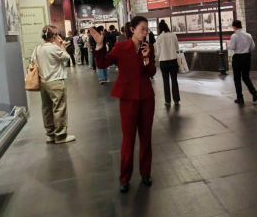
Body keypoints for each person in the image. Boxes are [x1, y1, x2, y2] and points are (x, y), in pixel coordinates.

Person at [91, 16, 156, 193]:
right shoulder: (121, 47)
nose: (145, 32)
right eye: (142, 28)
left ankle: (146, 173)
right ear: (132, 29)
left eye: (147, 29)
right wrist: (99, 45)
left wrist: (146, 59)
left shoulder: (148, 48)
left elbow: (151, 72)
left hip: (147, 97)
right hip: (128, 98)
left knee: (146, 137)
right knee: (128, 138)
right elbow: (102, 63)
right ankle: (125, 177)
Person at [35, 25, 76, 144]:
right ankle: (60, 135)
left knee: (46, 108)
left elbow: (33, 62)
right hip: (56, 81)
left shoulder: (38, 48)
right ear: (54, 36)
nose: (59, 37)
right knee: (59, 108)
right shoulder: (54, 48)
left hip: (43, 82)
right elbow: (67, 57)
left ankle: (50, 134)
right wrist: (61, 45)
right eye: (57, 35)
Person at [228, 20, 257, 104]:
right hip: (247, 57)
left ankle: (240, 98)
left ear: (234, 27)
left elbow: (232, 47)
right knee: (245, 77)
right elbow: (252, 46)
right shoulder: (248, 35)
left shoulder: (234, 36)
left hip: (238, 58)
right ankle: (253, 91)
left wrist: (227, 45)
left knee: (237, 78)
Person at [155, 19, 180, 106]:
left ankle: (167, 101)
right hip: (173, 60)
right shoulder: (173, 35)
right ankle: (176, 100)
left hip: (163, 61)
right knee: (174, 80)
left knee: (165, 81)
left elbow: (158, 52)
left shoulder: (159, 38)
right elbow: (177, 48)